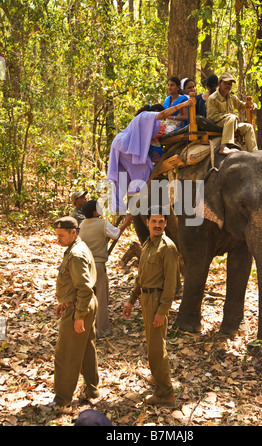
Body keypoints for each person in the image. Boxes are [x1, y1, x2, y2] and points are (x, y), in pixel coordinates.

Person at [123, 206, 179, 406]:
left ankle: (165, 393)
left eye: (161, 221)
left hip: (157, 301)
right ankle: (157, 376)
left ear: (165, 224)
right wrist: (131, 300)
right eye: (154, 221)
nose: (157, 225)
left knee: (157, 347)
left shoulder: (168, 247)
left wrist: (162, 311)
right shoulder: (148, 244)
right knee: (152, 343)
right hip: (146, 300)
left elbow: (171, 284)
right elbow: (141, 278)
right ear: (147, 223)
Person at [107, 98, 193, 212]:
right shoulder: (146, 116)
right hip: (125, 146)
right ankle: (139, 195)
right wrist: (184, 104)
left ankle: (119, 206)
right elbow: (162, 114)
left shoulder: (141, 120)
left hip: (120, 144)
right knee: (146, 169)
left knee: (122, 176)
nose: (161, 121)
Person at [51, 216, 99, 409]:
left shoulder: (76, 254)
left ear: (74, 232)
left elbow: (84, 288)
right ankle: (91, 390)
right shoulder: (76, 248)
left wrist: (79, 316)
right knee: (87, 349)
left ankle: (62, 400)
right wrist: (64, 301)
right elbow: (74, 283)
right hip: (80, 305)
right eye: (57, 235)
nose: (58, 239)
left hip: (80, 307)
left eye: (61, 235)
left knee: (66, 355)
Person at [79, 200, 132, 338]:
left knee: (86, 297)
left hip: (84, 265)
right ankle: (102, 330)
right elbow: (115, 234)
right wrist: (127, 221)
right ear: (95, 212)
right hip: (97, 265)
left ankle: (85, 326)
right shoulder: (102, 224)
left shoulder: (82, 224)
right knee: (101, 298)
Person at [206, 72, 258, 155]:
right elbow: (211, 117)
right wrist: (229, 116)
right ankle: (223, 147)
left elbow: (241, 106)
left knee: (248, 127)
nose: (228, 86)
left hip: (231, 123)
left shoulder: (232, 97)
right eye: (226, 83)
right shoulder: (212, 98)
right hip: (217, 124)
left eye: (230, 84)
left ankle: (254, 152)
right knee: (232, 118)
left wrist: (252, 105)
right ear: (219, 84)